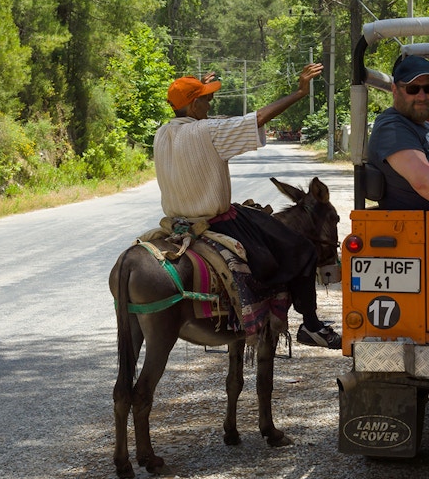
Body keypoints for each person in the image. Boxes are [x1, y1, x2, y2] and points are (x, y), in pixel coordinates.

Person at [153, 64, 341, 349]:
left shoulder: (162, 133)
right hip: (216, 220)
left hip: (176, 221)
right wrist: (300, 92)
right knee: (301, 249)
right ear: (193, 105)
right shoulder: (209, 132)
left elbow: (195, 118)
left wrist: (197, 88)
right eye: (205, 99)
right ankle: (312, 326)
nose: (210, 103)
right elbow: (260, 117)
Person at [367, 55, 429, 210]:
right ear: (395, 90)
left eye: (428, 89)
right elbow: (424, 182)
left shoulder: (420, 125)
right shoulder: (391, 128)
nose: (422, 96)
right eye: (412, 89)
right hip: (416, 227)